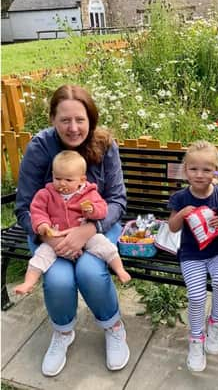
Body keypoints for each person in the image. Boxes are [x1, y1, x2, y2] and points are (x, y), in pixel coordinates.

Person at [14, 84, 129, 377]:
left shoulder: (105, 145)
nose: (74, 127)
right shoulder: (40, 147)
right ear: (53, 118)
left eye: (80, 119)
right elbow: (25, 206)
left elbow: (117, 200)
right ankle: (63, 333)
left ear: (91, 119)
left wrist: (90, 229)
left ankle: (113, 326)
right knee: (59, 279)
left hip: (98, 229)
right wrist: (47, 237)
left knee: (90, 270)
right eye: (65, 119)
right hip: (50, 233)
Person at [14, 151, 131, 295]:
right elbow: (37, 211)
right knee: (41, 256)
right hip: (56, 236)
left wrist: (92, 210)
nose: (62, 183)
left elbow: (103, 209)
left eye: (69, 180)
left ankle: (120, 270)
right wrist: (42, 225)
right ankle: (28, 283)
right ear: (52, 175)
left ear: (82, 180)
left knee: (104, 245)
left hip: (84, 233)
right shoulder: (46, 194)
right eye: (57, 178)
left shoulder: (89, 193)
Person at [167, 140, 218, 372]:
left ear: (215, 170)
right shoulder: (181, 197)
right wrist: (182, 214)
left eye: (207, 169)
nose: (200, 174)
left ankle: (215, 324)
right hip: (192, 255)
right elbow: (172, 227)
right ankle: (196, 339)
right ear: (186, 171)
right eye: (194, 169)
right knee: (196, 294)